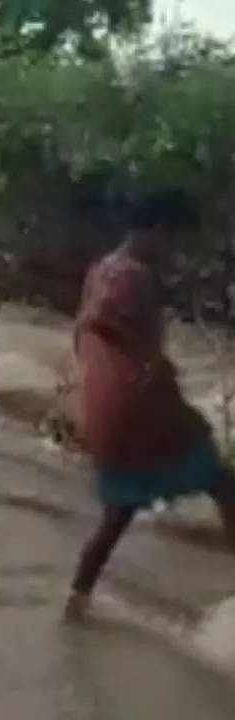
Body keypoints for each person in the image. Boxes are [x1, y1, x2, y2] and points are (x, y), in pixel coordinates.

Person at [66, 192, 235, 619]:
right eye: (174, 241)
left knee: (117, 515)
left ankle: (75, 600)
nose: (174, 252)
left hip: (108, 410)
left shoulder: (100, 270)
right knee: (222, 482)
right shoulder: (137, 276)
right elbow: (138, 344)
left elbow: (86, 333)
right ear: (155, 232)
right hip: (140, 407)